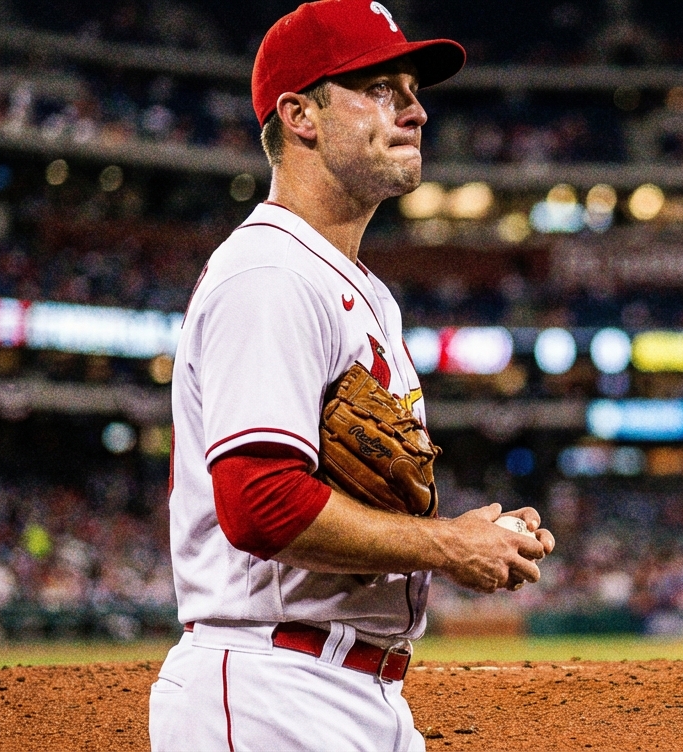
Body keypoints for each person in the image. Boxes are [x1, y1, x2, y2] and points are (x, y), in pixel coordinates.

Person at [148, 3, 555, 750]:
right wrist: (450, 545)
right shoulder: (269, 272)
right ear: (300, 114)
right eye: (380, 88)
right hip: (271, 689)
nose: (416, 110)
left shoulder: (359, 289)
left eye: (412, 89)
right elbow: (260, 505)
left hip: (348, 688)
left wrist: (472, 537)